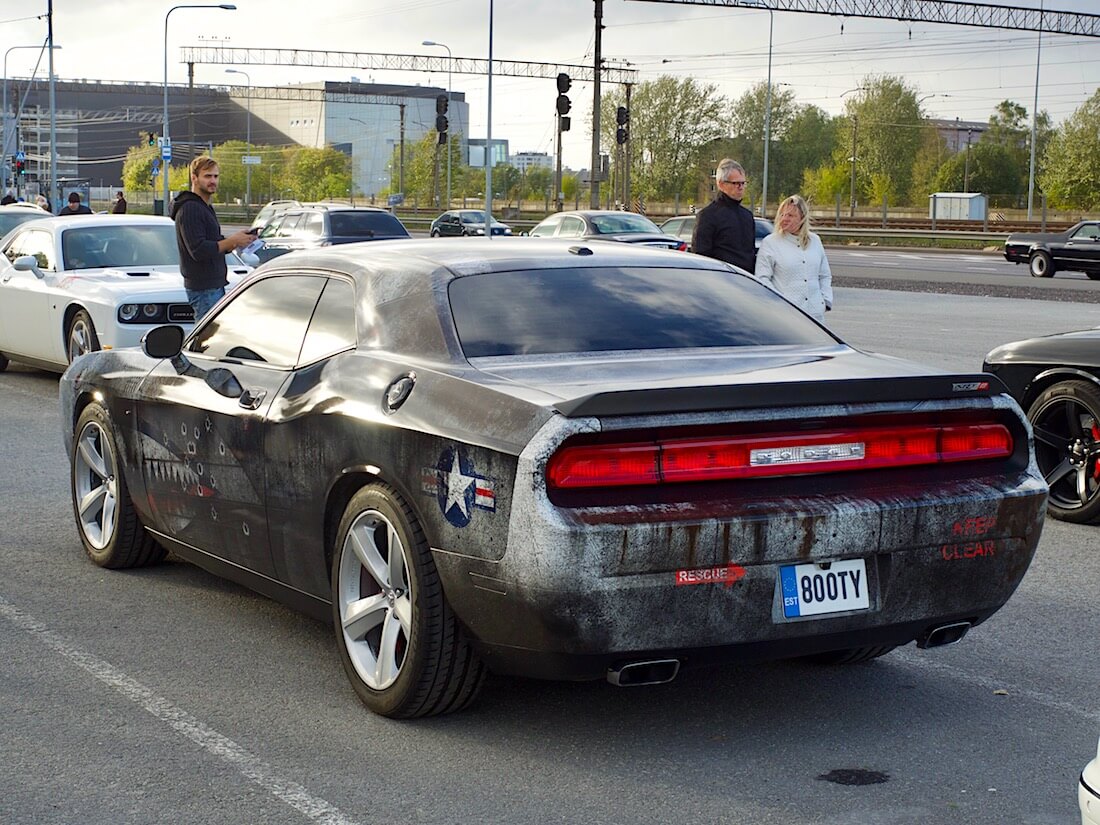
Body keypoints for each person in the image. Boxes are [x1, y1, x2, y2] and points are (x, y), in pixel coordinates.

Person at [171, 156, 254, 321]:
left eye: (216, 176)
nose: (213, 181)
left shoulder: (204, 207)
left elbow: (213, 242)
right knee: (207, 342)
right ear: (194, 178)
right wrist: (232, 241)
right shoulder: (190, 209)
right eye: (207, 176)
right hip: (204, 289)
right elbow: (198, 250)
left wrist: (237, 240)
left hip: (213, 286)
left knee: (212, 339)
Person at [755, 194, 833, 323]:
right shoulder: (770, 242)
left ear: (802, 217)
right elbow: (762, 278)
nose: (784, 219)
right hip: (786, 317)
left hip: (815, 316)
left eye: (790, 215)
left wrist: (825, 301)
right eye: (782, 214)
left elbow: (824, 275)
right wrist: (779, 303)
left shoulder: (815, 241)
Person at [691, 158, 756, 273]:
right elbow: (700, 257)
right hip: (721, 281)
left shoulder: (747, 216)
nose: (740, 187)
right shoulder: (707, 216)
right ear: (721, 184)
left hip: (746, 281)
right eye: (736, 183)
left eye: (743, 183)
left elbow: (750, 254)